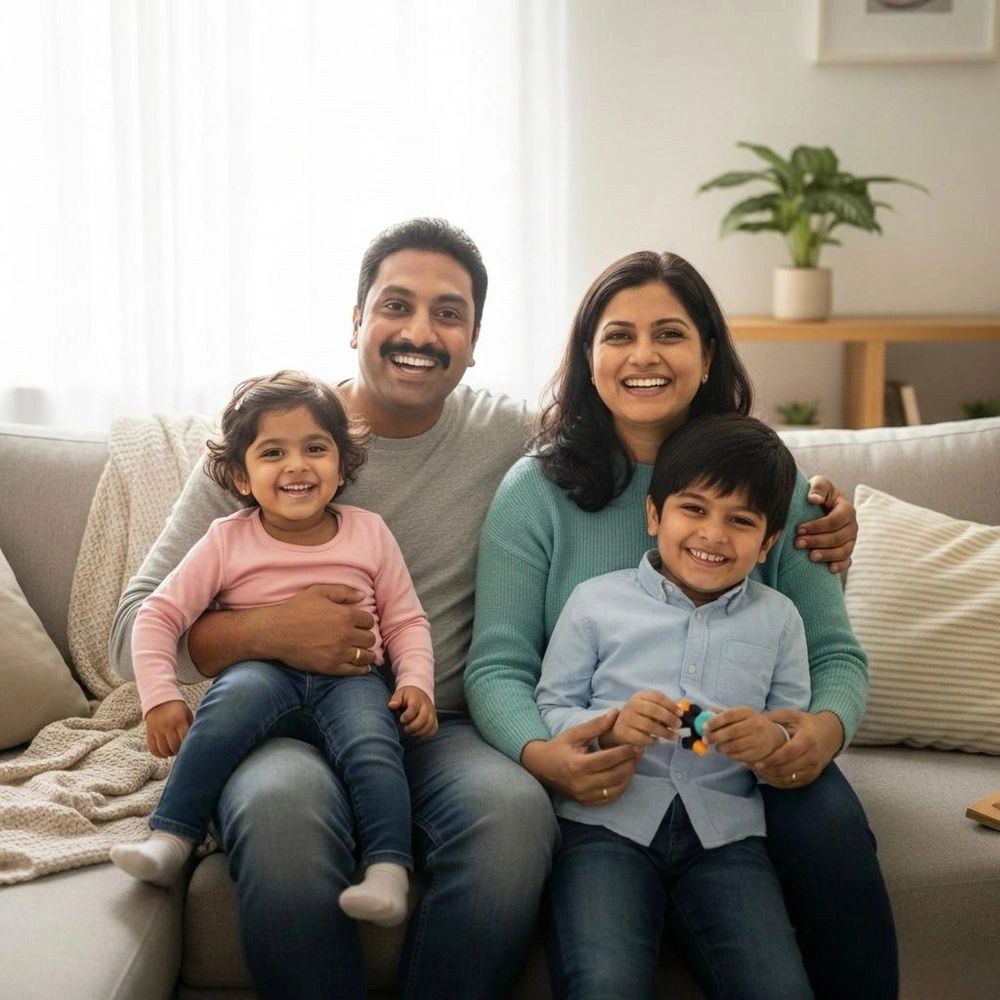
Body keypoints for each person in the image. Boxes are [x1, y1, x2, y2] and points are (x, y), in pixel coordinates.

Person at [110, 221, 860, 999]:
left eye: (448, 313)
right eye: (395, 305)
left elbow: (701, 471)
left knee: (513, 820)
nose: (419, 332)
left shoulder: (515, 440)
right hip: (281, 722)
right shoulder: (271, 442)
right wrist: (269, 631)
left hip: (443, 723)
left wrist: (821, 512)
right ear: (356, 320)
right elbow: (126, 630)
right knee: (280, 816)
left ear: (474, 341)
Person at [465, 250, 897, 998]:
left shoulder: (771, 480)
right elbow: (499, 665)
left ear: (706, 356)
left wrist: (816, 734)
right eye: (618, 335)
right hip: (605, 783)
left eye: (669, 333)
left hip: (734, 777)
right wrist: (544, 754)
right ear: (587, 357)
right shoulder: (534, 489)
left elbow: (832, 651)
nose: (643, 356)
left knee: (826, 820)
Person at [110, 371, 435, 929]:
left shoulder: (369, 531)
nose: (297, 465)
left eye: (316, 448)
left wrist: (416, 684)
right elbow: (158, 615)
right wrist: (159, 697)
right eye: (273, 452)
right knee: (226, 708)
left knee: (375, 744)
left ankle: (387, 871)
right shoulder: (226, 539)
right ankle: (171, 837)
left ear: (341, 462)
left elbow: (406, 619)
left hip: (353, 678)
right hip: (259, 674)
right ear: (240, 474)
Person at [536, 413, 813, 997]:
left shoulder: (780, 619)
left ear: (767, 544)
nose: (713, 535)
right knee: (603, 983)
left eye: (740, 521)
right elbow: (553, 707)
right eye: (694, 509)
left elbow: (793, 722)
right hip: (604, 829)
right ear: (654, 515)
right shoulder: (594, 603)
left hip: (728, 839)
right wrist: (610, 728)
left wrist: (771, 744)